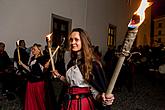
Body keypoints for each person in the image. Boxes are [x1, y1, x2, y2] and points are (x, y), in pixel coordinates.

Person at [52, 28, 114, 110]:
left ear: (83, 42)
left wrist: (103, 98)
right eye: (71, 40)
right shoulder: (72, 62)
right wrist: (59, 76)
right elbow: (70, 83)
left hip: (82, 105)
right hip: (68, 103)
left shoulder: (92, 64)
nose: (72, 42)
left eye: (76, 39)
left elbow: (95, 91)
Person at [19, 43, 50, 110]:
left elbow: (43, 71)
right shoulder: (32, 58)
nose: (32, 51)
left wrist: (46, 68)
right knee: (31, 100)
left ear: (39, 50)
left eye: (34, 49)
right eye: (32, 49)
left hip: (38, 83)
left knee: (39, 100)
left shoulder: (42, 58)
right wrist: (21, 64)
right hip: (30, 82)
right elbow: (30, 69)